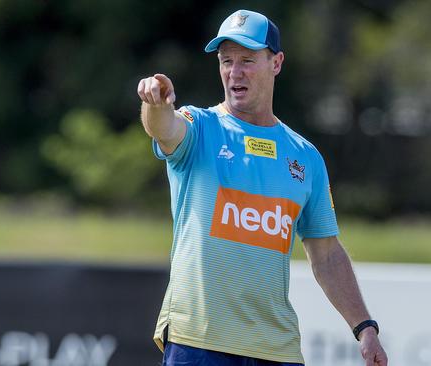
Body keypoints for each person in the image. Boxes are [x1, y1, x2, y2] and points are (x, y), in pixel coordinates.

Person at [136, 9, 388, 366]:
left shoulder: (305, 157)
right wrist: (156, 103)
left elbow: (327, 254)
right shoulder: (201, 125)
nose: (234, 72)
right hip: (199, 339)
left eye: (247, 60)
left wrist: (364, 327)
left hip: (276, 349)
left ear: (277, 63)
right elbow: (165, 129)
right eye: (226, 61)